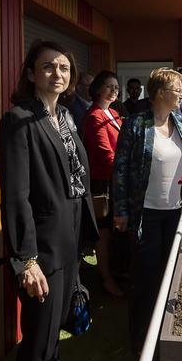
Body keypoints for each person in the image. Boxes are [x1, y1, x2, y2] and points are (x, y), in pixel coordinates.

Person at [0, 40, 99, 361]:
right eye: (48, 67)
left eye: (65, 68)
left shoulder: (67, 117)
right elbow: (16, 195)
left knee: (53, 339)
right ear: (31, 73)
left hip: (69, 245)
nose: (58, 73)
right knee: (38, 346)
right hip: (43, 252)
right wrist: (26, 259)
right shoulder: (19, 120)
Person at [113, 68, 182, 353]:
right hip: (145, 215)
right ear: (161, 93)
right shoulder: (136, 124)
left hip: (176, 213)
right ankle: (140, 341)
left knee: (170, 275)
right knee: (145, 279)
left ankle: (163, 335)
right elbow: (121, 170)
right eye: (179, 90)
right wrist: (121, 210)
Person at [82, 70, 125, 297]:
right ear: (98, 88)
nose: (113, 90)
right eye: (109, 86)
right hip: (102, 183)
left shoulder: (114, 114)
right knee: (104, 232)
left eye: (116, 87)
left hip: (115, 180)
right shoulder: (95, 116)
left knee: (114, 230)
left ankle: (113, 271)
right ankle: (106, 280)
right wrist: (125, 172)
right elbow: (104, 154)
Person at [67, 72, 94, 137]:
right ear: (79, 87)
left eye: (95, 85)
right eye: (90, 86)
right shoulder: (72, 107)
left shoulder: (98, 104)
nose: (94, 89)